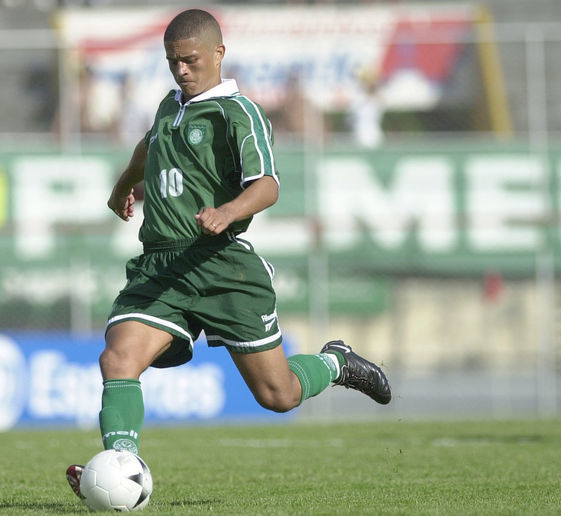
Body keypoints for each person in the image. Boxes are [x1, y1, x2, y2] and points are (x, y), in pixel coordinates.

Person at [67, 8, 391, 501]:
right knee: (117, 359)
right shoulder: (167, 106)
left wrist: (227, 211)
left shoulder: (237, 112)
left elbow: (268, 185)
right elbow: (148, 145)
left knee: (277, 395)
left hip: (222, 264)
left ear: (219, 53)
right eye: (173, 61)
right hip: (163, 266)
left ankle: (336, 363)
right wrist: (122, 187)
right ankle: (120, 468)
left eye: (190, 60)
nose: (181, 70)